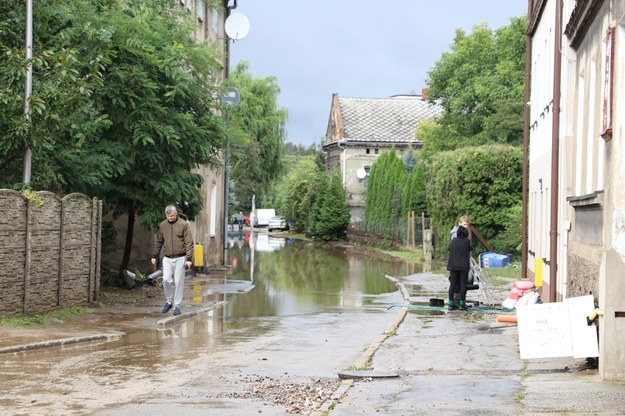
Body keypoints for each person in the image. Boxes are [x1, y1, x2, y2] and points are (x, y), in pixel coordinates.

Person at [151, 205, 194, 316]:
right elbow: (159, 241)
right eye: (168, 216)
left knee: (178, 282)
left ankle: (177, 306)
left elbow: (189, 242)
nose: (170, 218)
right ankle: (169, 302)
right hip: (167, 257)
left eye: (172, 216)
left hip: (180, 257)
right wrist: (154, 256)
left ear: (176, 214)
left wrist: (189, 258)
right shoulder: (163, 225)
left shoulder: (183, 224)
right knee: (166, 280)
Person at [447, 224, 472, 311]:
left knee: (452, 284)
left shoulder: (453, 240)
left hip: (453, 266)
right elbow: (469, 250)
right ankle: (462, 303)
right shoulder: (467, 241)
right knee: (462, 284)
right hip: (463, 266)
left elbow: (449, 249)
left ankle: (450, 303)